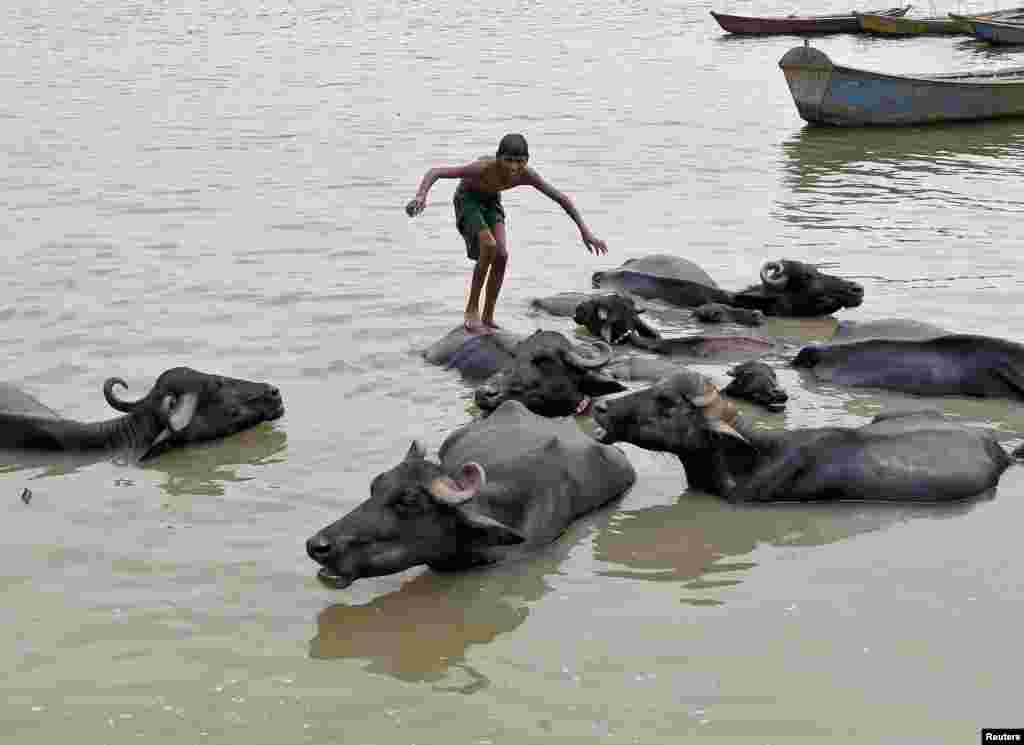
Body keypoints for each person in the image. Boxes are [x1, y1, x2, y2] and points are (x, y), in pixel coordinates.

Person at [406, 133, 608, 334]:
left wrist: (586, 232)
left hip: (492, 202)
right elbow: (436, 172)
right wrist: (421, 197)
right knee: (488, 245)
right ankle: (471, 313)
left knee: (502, 254)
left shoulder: (527, 175)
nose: (513, 167)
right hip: (468, 200)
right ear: (498, 157)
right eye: (508, 160)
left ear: (527, 160)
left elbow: (560, 198)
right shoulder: (482, 168)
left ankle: (488, 316)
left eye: (519, 161)